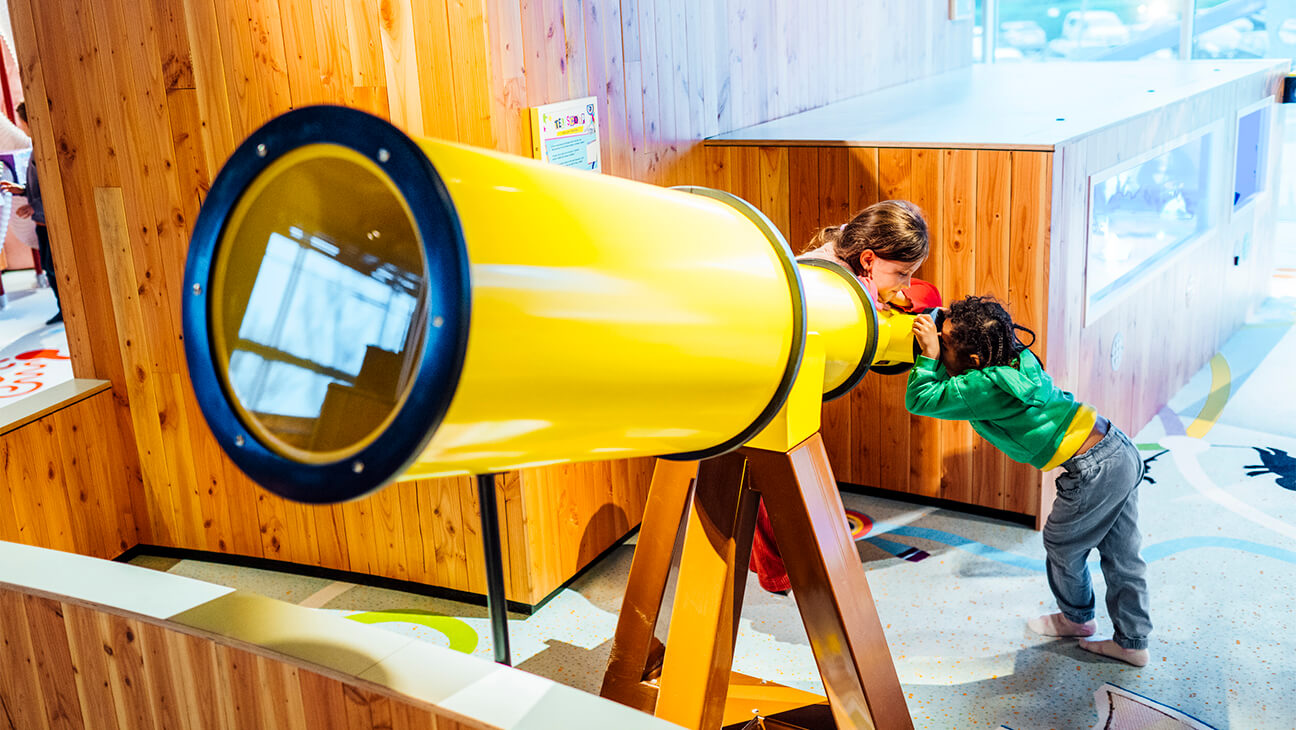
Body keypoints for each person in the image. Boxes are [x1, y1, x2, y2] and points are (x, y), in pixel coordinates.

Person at [905, 295, 1151, 667]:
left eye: (944, 340)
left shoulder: (984, 387)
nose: (938, 340)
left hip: (1093, 468)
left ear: (974, 360)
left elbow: (921, 399)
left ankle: (1077, 619)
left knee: (1062, 544)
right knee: (1122, 554)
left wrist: (927, 356)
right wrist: (941, 334)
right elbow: (957, 370)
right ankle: (1133, 642)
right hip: (1117, 447)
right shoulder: (1016, 357)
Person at [750, 200, 939, 594]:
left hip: (785, 374)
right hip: (768, 376)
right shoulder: (830, 283)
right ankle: (780, 573)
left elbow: (922, 295)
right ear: (868, 259)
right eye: (901, 273)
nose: (904, 284)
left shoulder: (849, 262)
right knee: (777, 483)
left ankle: (781, 567)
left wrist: (892, 295)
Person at [0, 102, 61, 325]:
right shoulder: (36, 148)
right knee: (49, 268)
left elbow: (53, 186)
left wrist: (35, 205)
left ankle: (66, 309)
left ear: (26, 123)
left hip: (48, 222)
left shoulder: (44, 150)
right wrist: (23, 190)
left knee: (54, 269)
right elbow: (40, 184)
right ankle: (62, 308)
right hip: (41, 223)